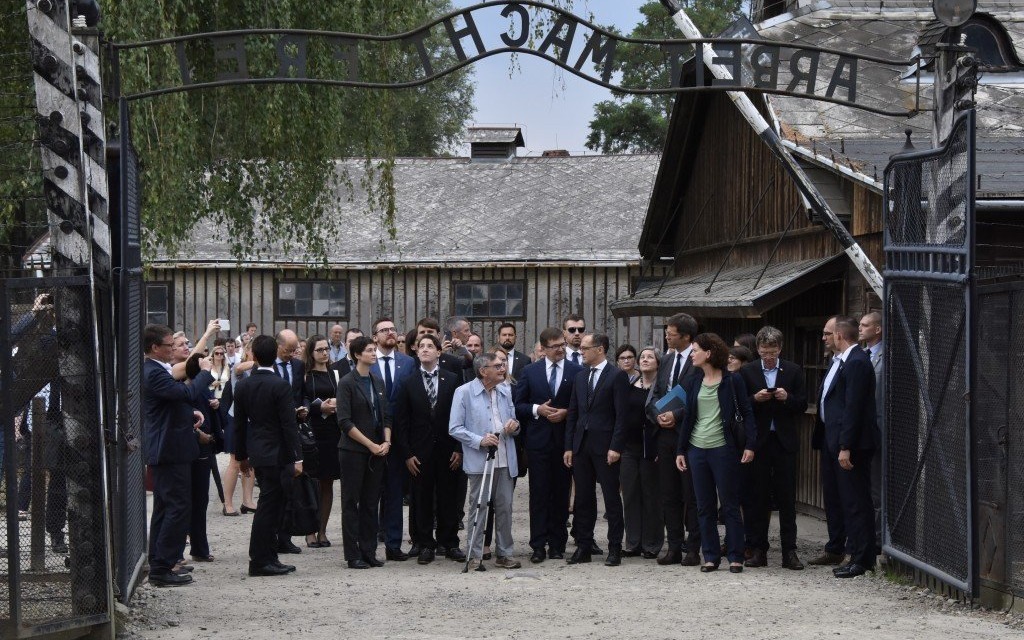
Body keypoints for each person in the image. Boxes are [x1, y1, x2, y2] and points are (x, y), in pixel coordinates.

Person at [674, 333, 757, 574]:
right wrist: (681, 449)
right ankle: (710, 556)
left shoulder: (732, 381)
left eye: (695, 350)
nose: (692, 354)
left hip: (723, 449)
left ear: (708, 353)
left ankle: (735, 556)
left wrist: (750, 444)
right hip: (697, 450)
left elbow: (747, 413)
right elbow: (689, 417)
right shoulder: (694, 381)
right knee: (704, 505)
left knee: (730, 505)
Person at [142, 324, 213, 587]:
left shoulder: (158, 371)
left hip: (170, 447)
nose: (174, 349)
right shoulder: (154, 373)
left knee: (165, 506)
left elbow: (172, 403)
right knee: (177, 507)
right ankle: (163, 567)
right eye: (169, 345)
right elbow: (187, 392)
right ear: (154, 348)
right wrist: (205, 373)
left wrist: (188, 414)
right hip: (169, 450)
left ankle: (160, 563)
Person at [738, 326, 808, 570]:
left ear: (780, 349)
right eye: (764, 351)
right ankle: (758, 549)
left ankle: (790, 551)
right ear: (757, 349)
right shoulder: (747, 372)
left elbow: (802, 404)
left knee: (787, 498)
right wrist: (755, 399)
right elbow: (739, 406)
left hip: (784, 441)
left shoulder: (793, 370)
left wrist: (786, 397)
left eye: (773, 351)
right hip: (757, 443)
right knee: (757, 497)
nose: (768, 356)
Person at [813, 316, 878, 578]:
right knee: (837, 499)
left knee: (855, 501)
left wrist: (845, 445)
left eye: (828, 333)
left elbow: (854, 408)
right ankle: (840, 548)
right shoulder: (839, 362)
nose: (824, 338)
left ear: (840, 334)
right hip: (832, 441)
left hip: (849, 445)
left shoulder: (857, 363)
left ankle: (862, 558)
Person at [233, 335, 303, 577]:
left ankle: (268, 556)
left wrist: (241, 456)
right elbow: (288, 425)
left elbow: (239, 425)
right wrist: (298, 457)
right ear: (275, 355)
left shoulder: (243, 385)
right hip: (279, 454)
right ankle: (261, 559)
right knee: (270, 508)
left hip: (257, 452)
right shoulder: (279, 385)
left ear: (253, 356)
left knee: (270, 505)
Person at [392, 334, 465, 564]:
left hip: (447, 450)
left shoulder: (452, 379)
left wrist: (459, 448)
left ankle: (450, 542)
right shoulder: (408, 382)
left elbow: (462, 415)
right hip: (419, 452)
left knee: (448, 497)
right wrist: (407, 454)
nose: (424, 350)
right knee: (422, 499)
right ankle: (425, 544)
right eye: (421, 346)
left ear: (439, 352)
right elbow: (401, 422)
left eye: (430, 346)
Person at [450, 352, 522, 571]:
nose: (503, 368)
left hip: (505, 458)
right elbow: (454, 428)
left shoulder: (505, 390)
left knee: (505, 508)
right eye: (497, 366)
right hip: (480, 460)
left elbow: (514, 421)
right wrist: (479, 440)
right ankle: (474, 554)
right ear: (483, 371)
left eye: (503, 365)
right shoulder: (463, 393)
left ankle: (505, 553)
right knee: (478, 508)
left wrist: (514, 426)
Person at [514, 327, 581, 563]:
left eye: (562, 344)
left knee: (561, 494)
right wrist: (537, 409)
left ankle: (557, 544)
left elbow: (583, 405)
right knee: (539, 494)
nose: (561, 349)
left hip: (564, 442)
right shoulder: (530, 372)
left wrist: (566, 412)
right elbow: (518, 405)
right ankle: (538, 544)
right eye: (555, 346)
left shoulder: (576, 371)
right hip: (538, 442)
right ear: (543, 348)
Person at [563, 333, 629, 567]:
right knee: (582, 498)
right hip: (582, 446)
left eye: (585, 348)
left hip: (606, 447)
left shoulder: (617, 376)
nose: (581, 351)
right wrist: (569, 446)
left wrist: (616, 446)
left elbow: (622, 416)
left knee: (611, 498)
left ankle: (614, 547)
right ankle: (584, 545)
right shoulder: (580, 377)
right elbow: (573, 413)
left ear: (600, 349)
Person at [648, 313, 702, 567]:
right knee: (668, 493)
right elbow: (657, 392)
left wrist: (677, 415)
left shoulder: (699, 360)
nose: (667, 335)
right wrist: (658, 416)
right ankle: (674, 547)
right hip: (665, 436)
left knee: (691, 493)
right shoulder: (667, 359)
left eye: (671, 332)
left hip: (690, 435)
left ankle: (693, 547)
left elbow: (702, 398)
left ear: (686, 336)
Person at [336, 336, 392, 569]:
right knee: (351, 502)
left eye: (374, 350)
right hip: (353, 451)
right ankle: (353, 553)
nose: (373, 354)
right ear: (357, 354)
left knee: (371, 502)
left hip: (378, 451)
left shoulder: (377, 381)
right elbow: (344, 421)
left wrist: (386, 441)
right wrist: (369, 444)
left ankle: (369, 550)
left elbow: (387, 415)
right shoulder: (347, 383)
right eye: (369, 350)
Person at [372, 317, 416, 561]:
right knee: (370, 493)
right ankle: (366, 543)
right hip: (371, 437)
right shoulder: (367, 362)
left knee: (395, 490)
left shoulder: (408, 363)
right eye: (384, 330)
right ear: (374, 337)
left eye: (392, 329)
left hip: (399, 437)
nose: (390, 333)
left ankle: (393, 544)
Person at [621, 346, 663, 559]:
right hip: (629, 447)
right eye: (643, 357)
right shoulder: (630, 385)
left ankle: (652, 543)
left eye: (650, 357)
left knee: (651, 495)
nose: (645, 359)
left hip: (652, 448)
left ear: (658, 362)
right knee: (630, 494)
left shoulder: (661, 387)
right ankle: (632, 542)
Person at [303, 335, 342, 548]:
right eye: (319, 350)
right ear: (311, 352)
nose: (324, 353)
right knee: (310, 483)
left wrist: (335, 404)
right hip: (311, 432)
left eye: (326, 349)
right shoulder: (304, 375)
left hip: (331, 432)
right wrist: (319, 408)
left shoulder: (334, 373)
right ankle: (309, 530)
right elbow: (302, 401)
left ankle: (323, 530)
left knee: (327, 483)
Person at [184, 352, 221, 562]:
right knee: (191, 500)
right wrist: (200, 435)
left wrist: (214, 406)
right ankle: (191, 547)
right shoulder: (187, 389)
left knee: (200, 500)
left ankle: (199, 547)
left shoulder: (202, 391)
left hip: (204, 450)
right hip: (195, 447)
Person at [273, 329, 307, 555]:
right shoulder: (267, 366)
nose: (291, 354)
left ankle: (285, 537)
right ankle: (273, 536)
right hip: (274, 432)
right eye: (287, 350)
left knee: (291, 488)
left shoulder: (297, 366)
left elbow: (301, 392)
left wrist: (303, 407)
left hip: (294, 427)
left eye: (294, 351)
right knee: (276, 488)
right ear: (278, 346)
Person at [859, 311, 884, 554]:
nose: (860, 328)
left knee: (877, 488)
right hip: (862, 431)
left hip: (879, 429)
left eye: (865, 325)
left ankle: (877, 542)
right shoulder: (861, 355)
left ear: (877, 329)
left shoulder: (887, 357)